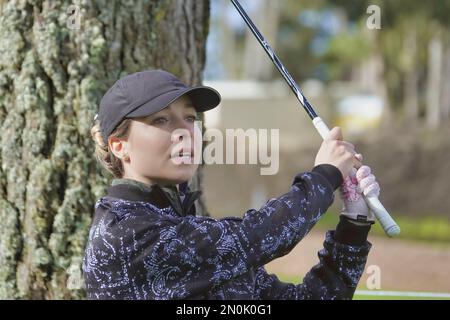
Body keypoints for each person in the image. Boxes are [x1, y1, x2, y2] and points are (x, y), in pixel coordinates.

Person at [83, 69, 380, 300]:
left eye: (189, 118)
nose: (185, 131)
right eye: (161, 120)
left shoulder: (187, 227)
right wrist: (325, 175)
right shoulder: (126, 233)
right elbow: (255, 236)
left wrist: (354, 220)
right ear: (119, 146)